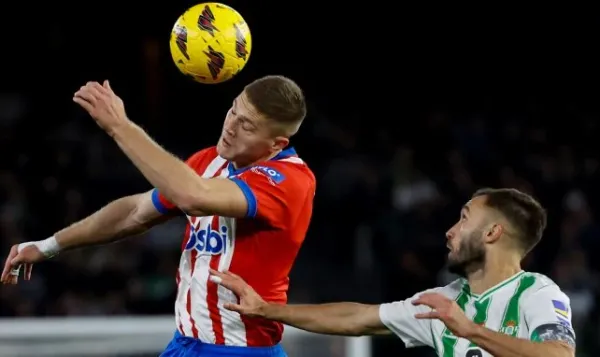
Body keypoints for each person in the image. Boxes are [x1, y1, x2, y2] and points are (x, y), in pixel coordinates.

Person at [1, 75, 316, 357]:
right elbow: (135, 213)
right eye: (233, 110)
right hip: (185, 343)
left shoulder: (289, 181)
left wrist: (119, 126)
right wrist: (50, 245)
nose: (230, 127)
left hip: (239, 349)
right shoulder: (209, 162)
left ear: (277, 144)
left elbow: (194, 197)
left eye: (247, 125)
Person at [210, 188, 576, 357]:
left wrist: (470, 330)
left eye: (464, 219)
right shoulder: (444, 302)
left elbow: (559, 355)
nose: (450, 231)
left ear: (493, 233)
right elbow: (357, 318)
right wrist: (267, 309)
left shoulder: (537, 293)